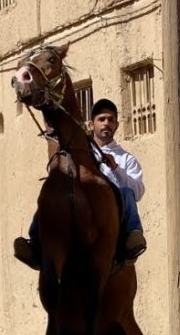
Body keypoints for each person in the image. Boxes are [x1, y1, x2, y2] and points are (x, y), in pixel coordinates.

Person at [12, 98, 147, 270]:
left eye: (111, 119)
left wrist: (115, 168)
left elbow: (138, 192)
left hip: (111, 213)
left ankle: (132, 241)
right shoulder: (80, 153)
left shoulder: (126, 159)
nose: (107, 123)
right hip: (83, 205)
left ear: (117, 125)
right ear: (91, 125)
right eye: (102, 119)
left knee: (127, 192)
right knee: (49, 192)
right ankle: (35, 245)